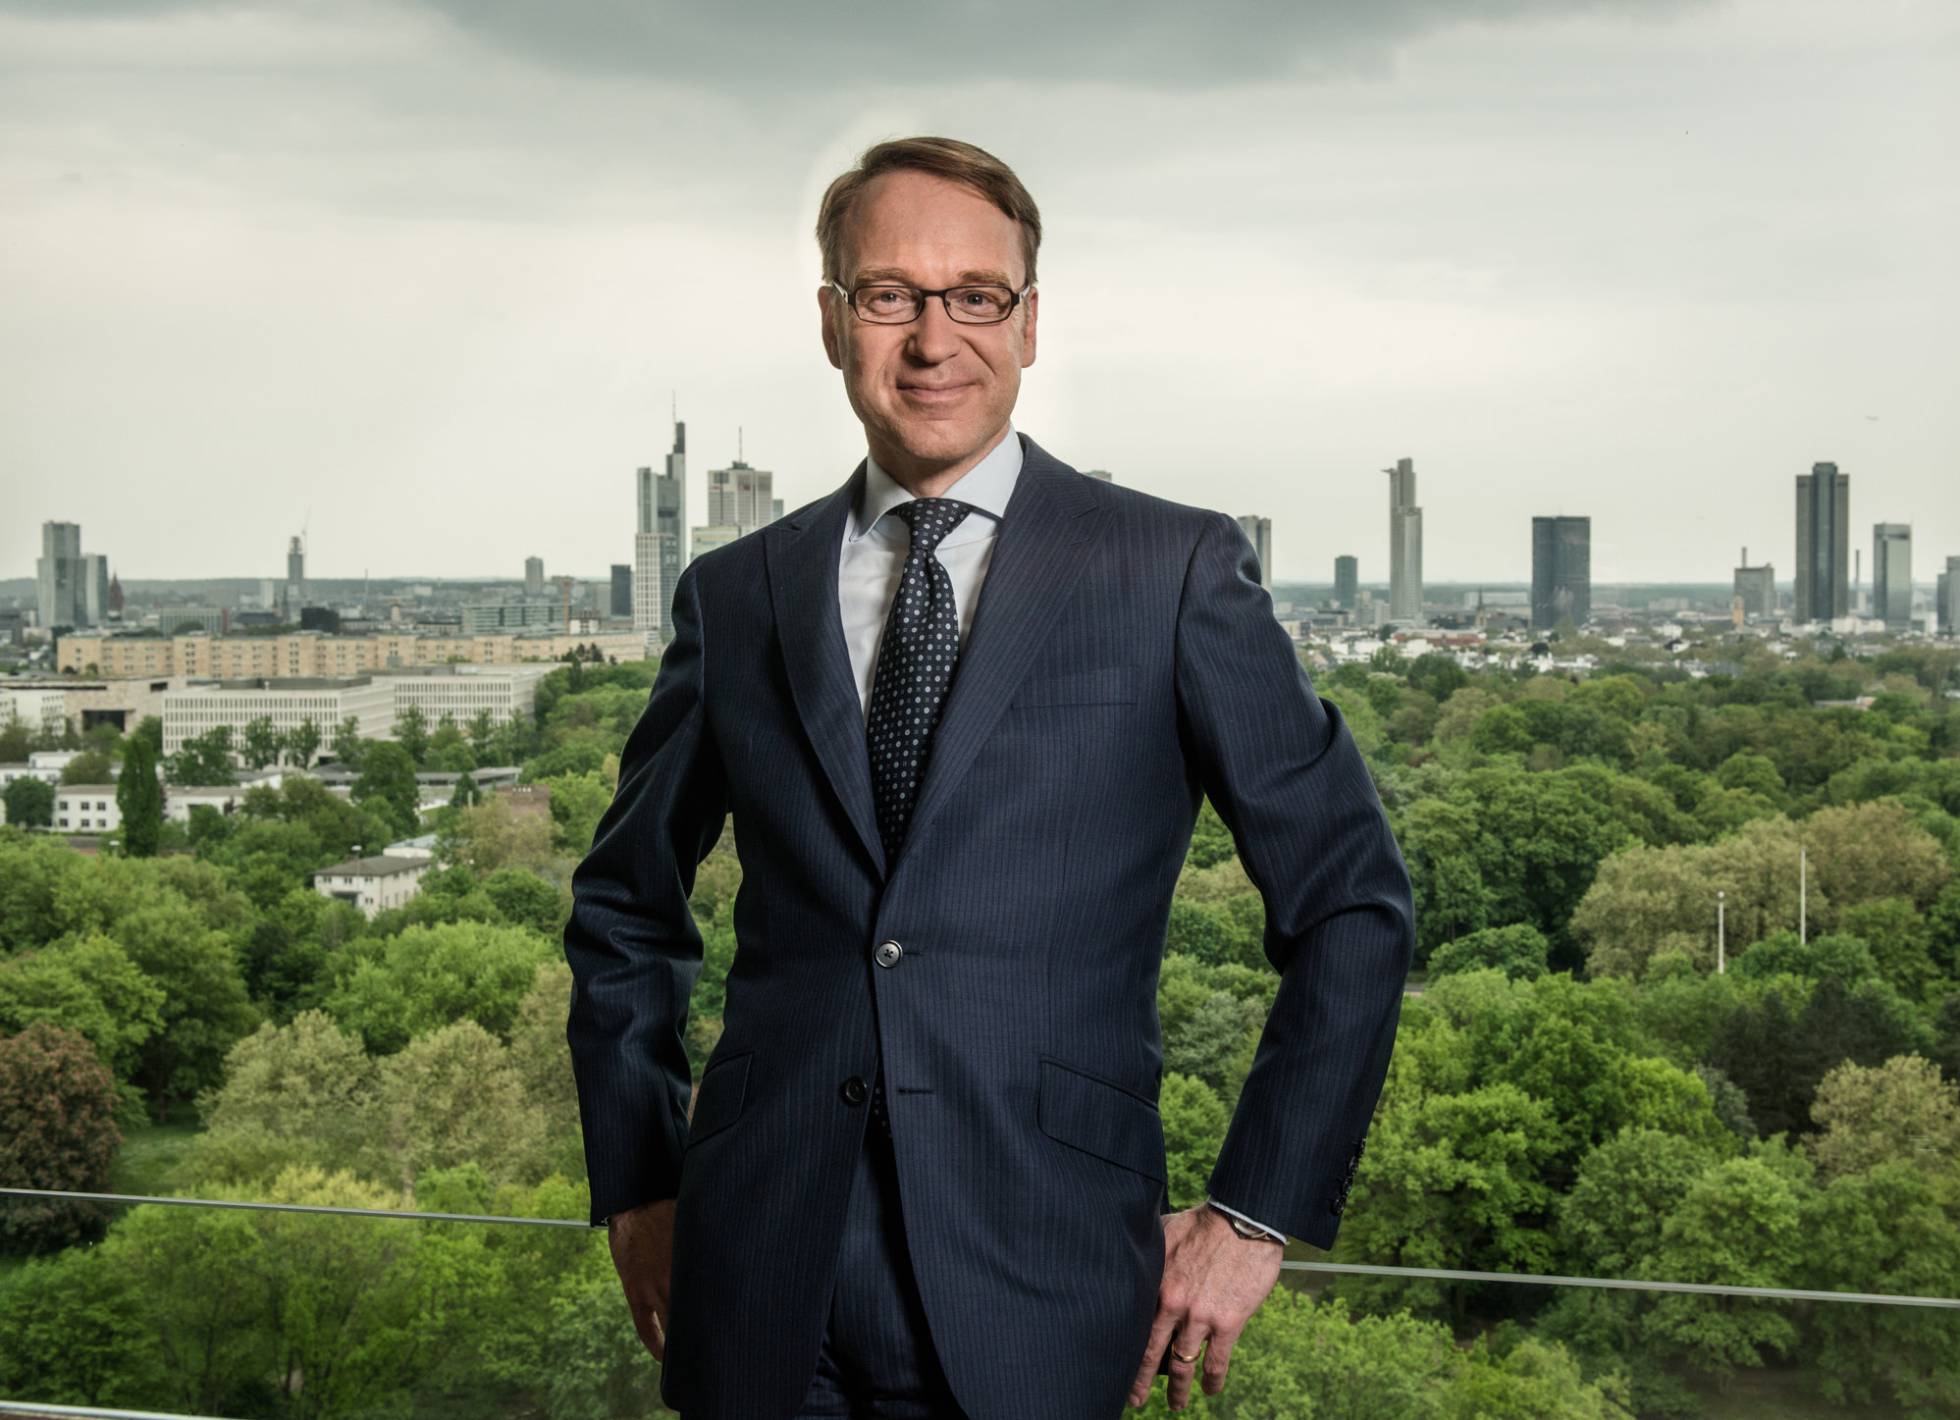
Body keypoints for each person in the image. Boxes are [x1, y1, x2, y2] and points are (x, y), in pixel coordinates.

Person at [563, 135, 1414, 1420]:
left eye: (974, 296)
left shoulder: (1170, 571)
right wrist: (635, 1181)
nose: (931, 337)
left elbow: (1353, 901)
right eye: (891, 294)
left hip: (1049, 1268)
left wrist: (1254, 1210)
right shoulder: (737, 596)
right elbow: (626, 909)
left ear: (1028, 324)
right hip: (752, 1269)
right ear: (833, 321)